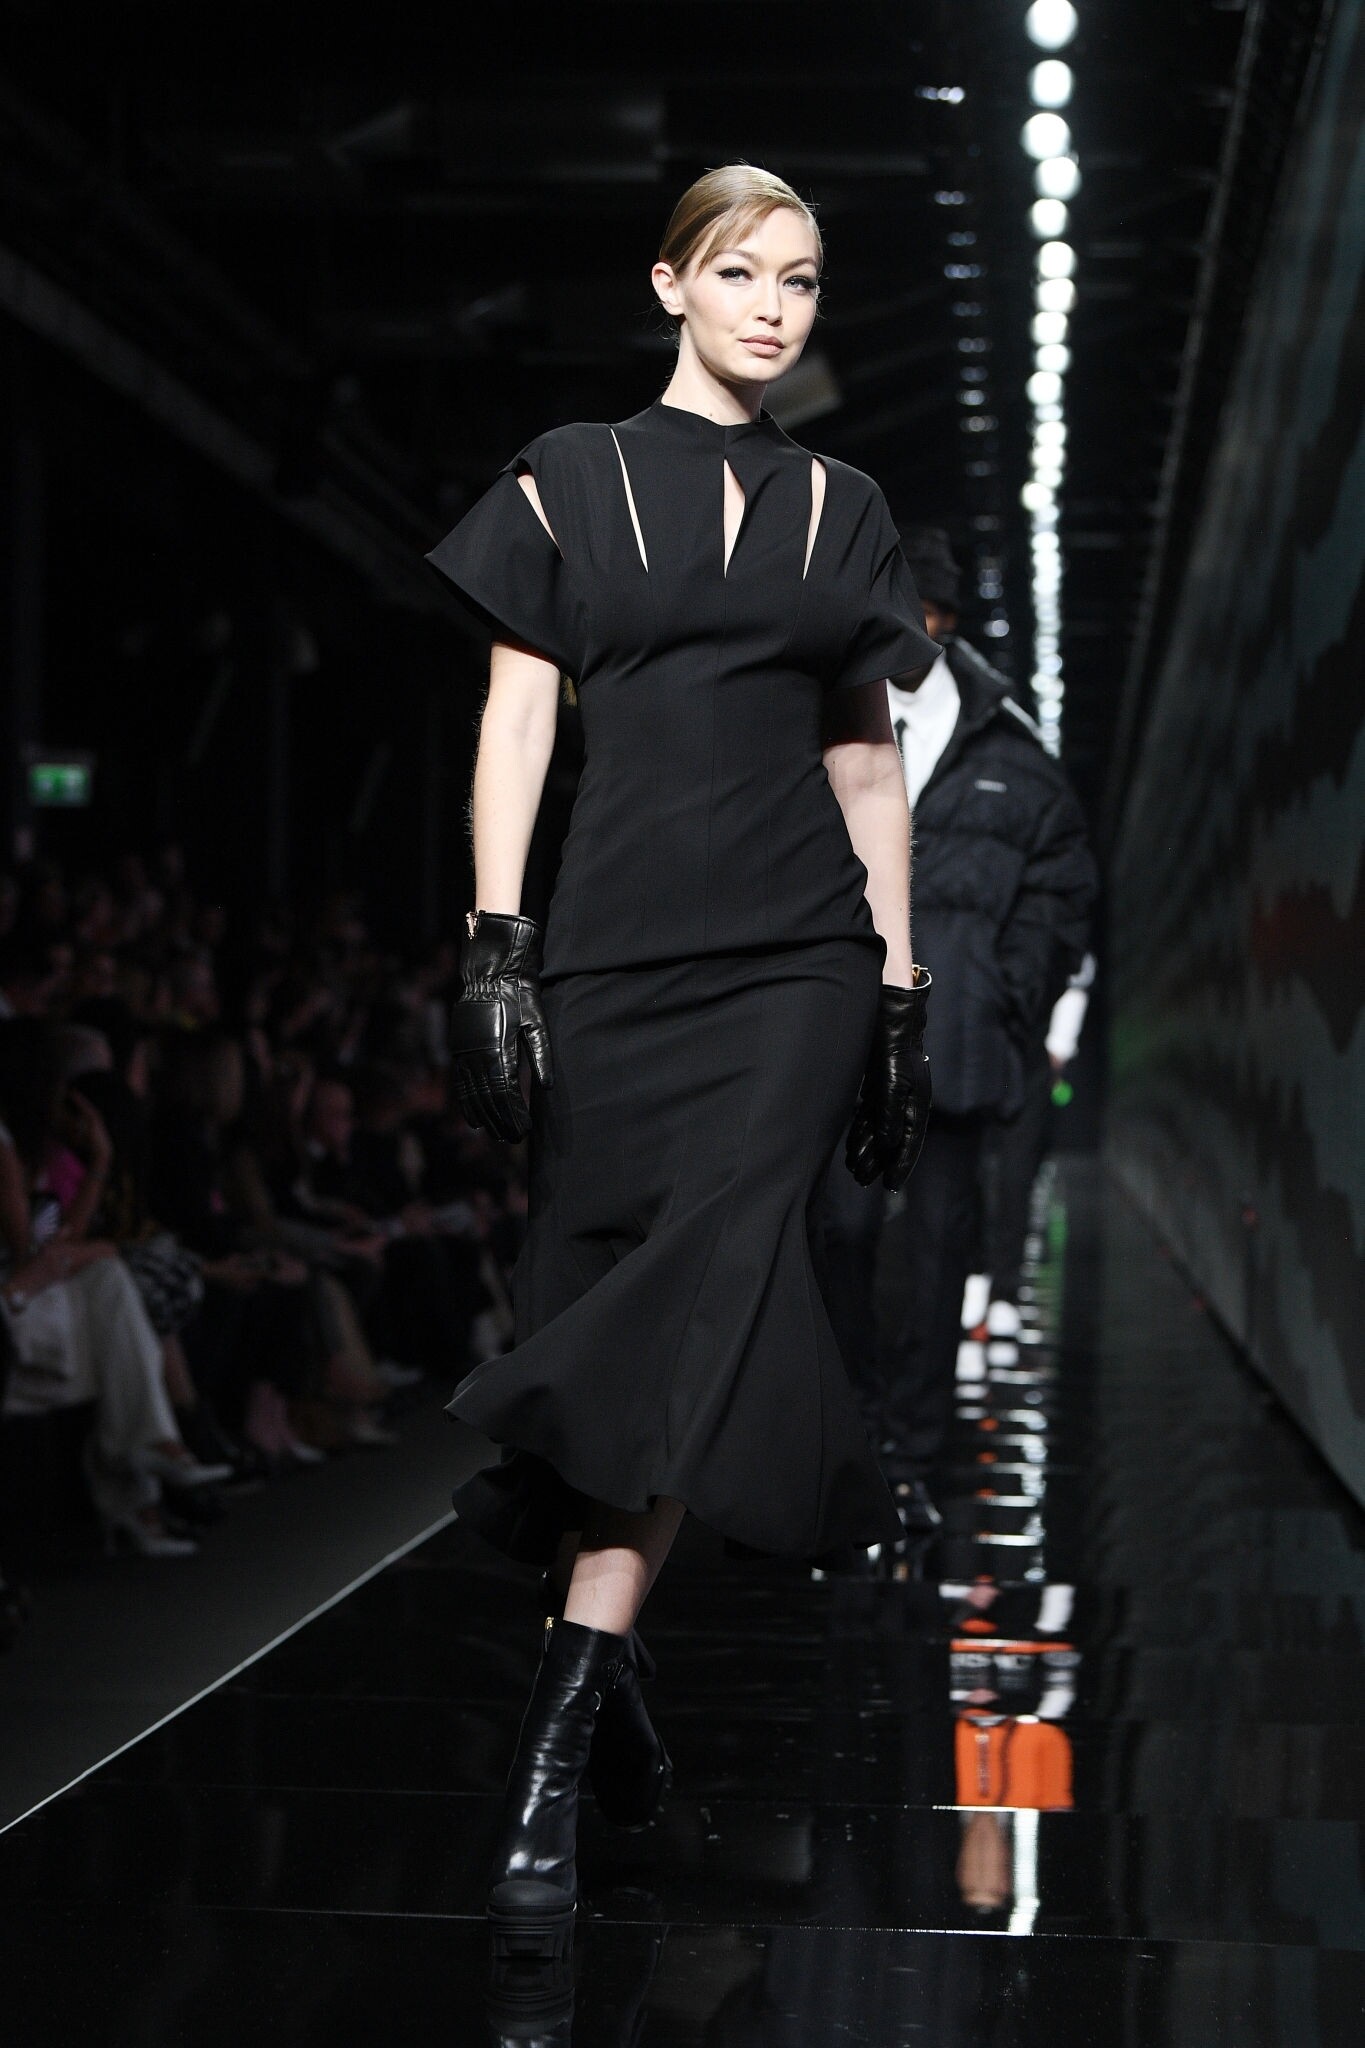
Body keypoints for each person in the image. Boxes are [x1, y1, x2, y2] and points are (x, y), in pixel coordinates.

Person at [426, 164, 936, 1961]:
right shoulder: (568, 475)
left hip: (795, 958)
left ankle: (550, 1753)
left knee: (709, 1285)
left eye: (802, 280)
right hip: (614, 948)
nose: (775, 306)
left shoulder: (847, 506)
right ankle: (623, 1698)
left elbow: (866, 765)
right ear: (672, 285)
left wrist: (896, 984)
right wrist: (495, 943)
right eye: (742, 273)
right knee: (599, 1303)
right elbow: (518, 714)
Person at [868, 526, 1096, 1523]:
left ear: (942, 620)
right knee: (833, 1239)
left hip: (950, 1035)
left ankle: (909, 1457)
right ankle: (844, 1442)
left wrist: (1005, 993)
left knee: (932, 1249)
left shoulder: (1007, 743)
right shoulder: (814, 716)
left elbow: (1063, 882)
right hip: (827, 1029)